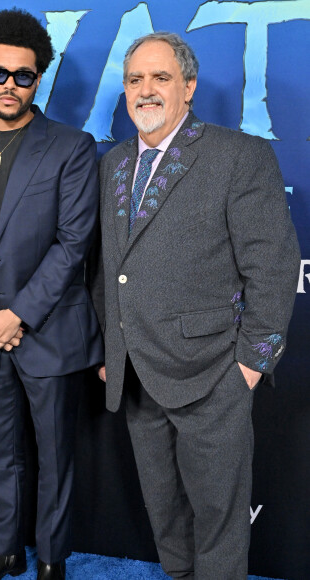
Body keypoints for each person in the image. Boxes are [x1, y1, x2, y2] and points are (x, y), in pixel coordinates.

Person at [91, 32, 300, 579]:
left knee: (219, 524)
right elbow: (109, 267)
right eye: (135, 79)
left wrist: (251, 365)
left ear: (188, 86)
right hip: (136, 376)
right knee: (166, 518)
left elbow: (274, 267)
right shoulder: (112, 164)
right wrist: (112, 347)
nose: (146, 91)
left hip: (213, 376)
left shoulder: (239, 155)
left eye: (161, 78)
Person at [0, 9, 103, 580]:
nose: (10, 85)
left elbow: (74, 241)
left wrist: (18, 314)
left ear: (40, 79)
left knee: (55, 455)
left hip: (48, 330)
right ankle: (3, 550)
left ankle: (52, 558)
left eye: (24, 75)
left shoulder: (72, 147)